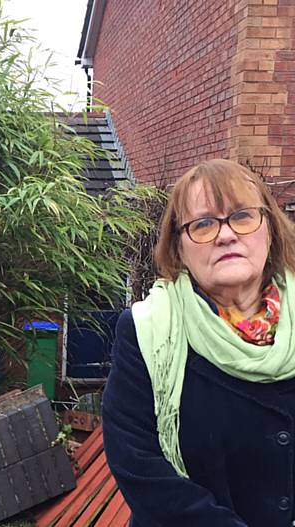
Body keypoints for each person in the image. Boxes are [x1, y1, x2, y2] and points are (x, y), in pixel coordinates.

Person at [103, 159, 295, 527]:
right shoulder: (147, 331)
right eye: (203, 224)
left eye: (241, 216)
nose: (225, 235)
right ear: (179, 249)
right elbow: (136, 461)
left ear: (269, 229)